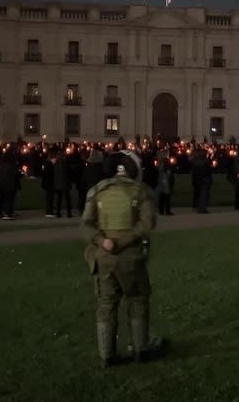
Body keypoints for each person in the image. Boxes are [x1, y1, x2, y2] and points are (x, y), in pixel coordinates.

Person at [81, 151, 165, 367]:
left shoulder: (97, 191)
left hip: (104, 257)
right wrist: (125, 240)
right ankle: (140, 350)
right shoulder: (140, 191)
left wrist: (102, 241)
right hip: (131, 257)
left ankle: (106, 355)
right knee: (138, 300)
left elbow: (86, 225)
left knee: (107, 304)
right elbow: (147, 224)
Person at [0, 149, 21, 220]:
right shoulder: (10, 165)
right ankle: (7, 213)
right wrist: (20, 173)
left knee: (6, 198)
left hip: (4, 184)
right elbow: (14, 174)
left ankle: (7, 212)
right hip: (9, 184)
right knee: (8, 199)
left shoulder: (4, 164)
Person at [190, 149, 211, 214]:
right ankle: (202, 209)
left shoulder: (196, 163)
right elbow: (207, 172)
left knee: (199, 195)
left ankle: (199, 208)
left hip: (198, 180)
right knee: (203, 195)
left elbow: (194, 173)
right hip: (204, 180)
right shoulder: (205, 162)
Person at [54, 152, 73, 218]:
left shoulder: (56, 164)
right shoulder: (66, 164)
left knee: (59, 199)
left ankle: (58, 213)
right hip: (66, 183)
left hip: (58, 183)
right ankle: (69, 213)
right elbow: (70, 172)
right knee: (67, 199)